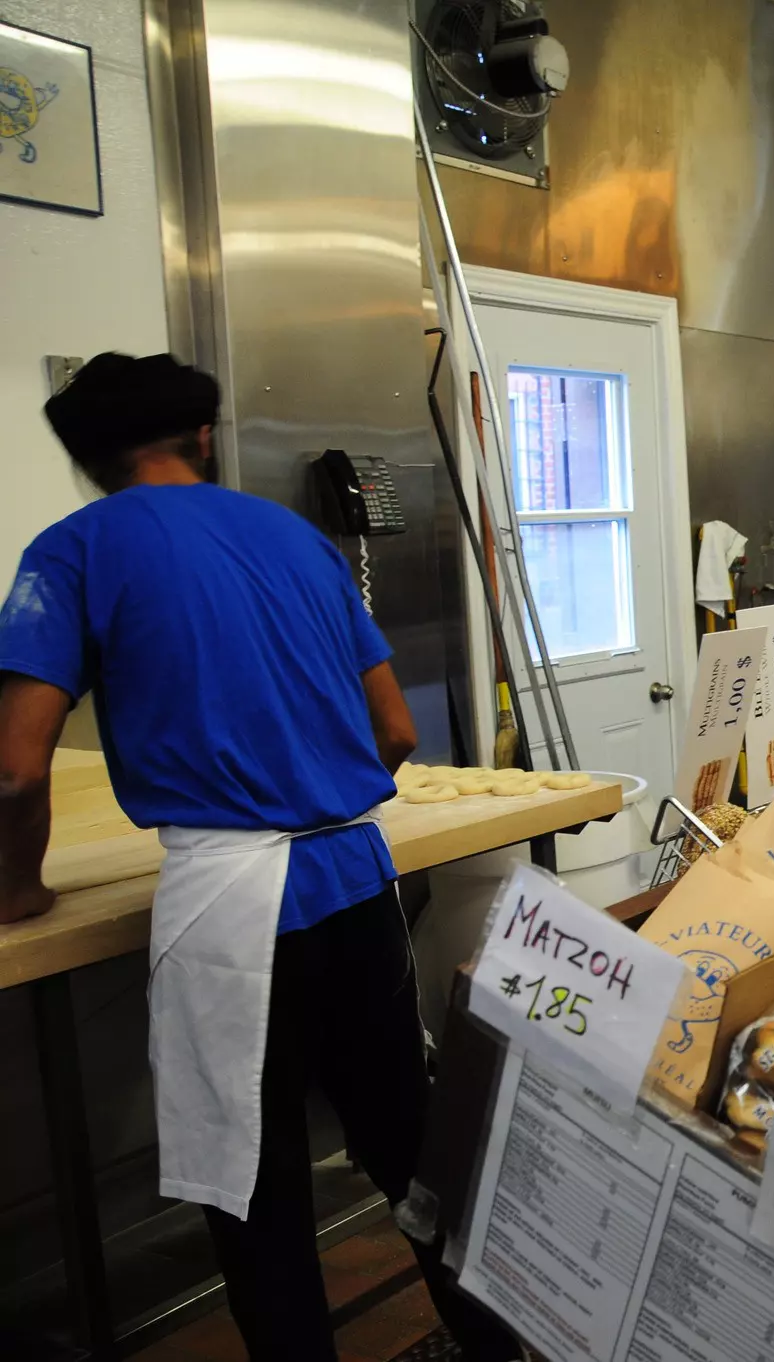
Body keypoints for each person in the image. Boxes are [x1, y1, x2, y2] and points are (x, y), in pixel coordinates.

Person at [0, 355, 521, 1362]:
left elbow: (16, 773)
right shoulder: (296, 539)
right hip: (357, 883)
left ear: (88, 460)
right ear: (200, 438)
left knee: (252, 1184)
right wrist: (302, 769)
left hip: (234, 908)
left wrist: (17, 887)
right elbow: (395, 732)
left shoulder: (71, 552)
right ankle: (495, 1346)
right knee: (406, 1147)